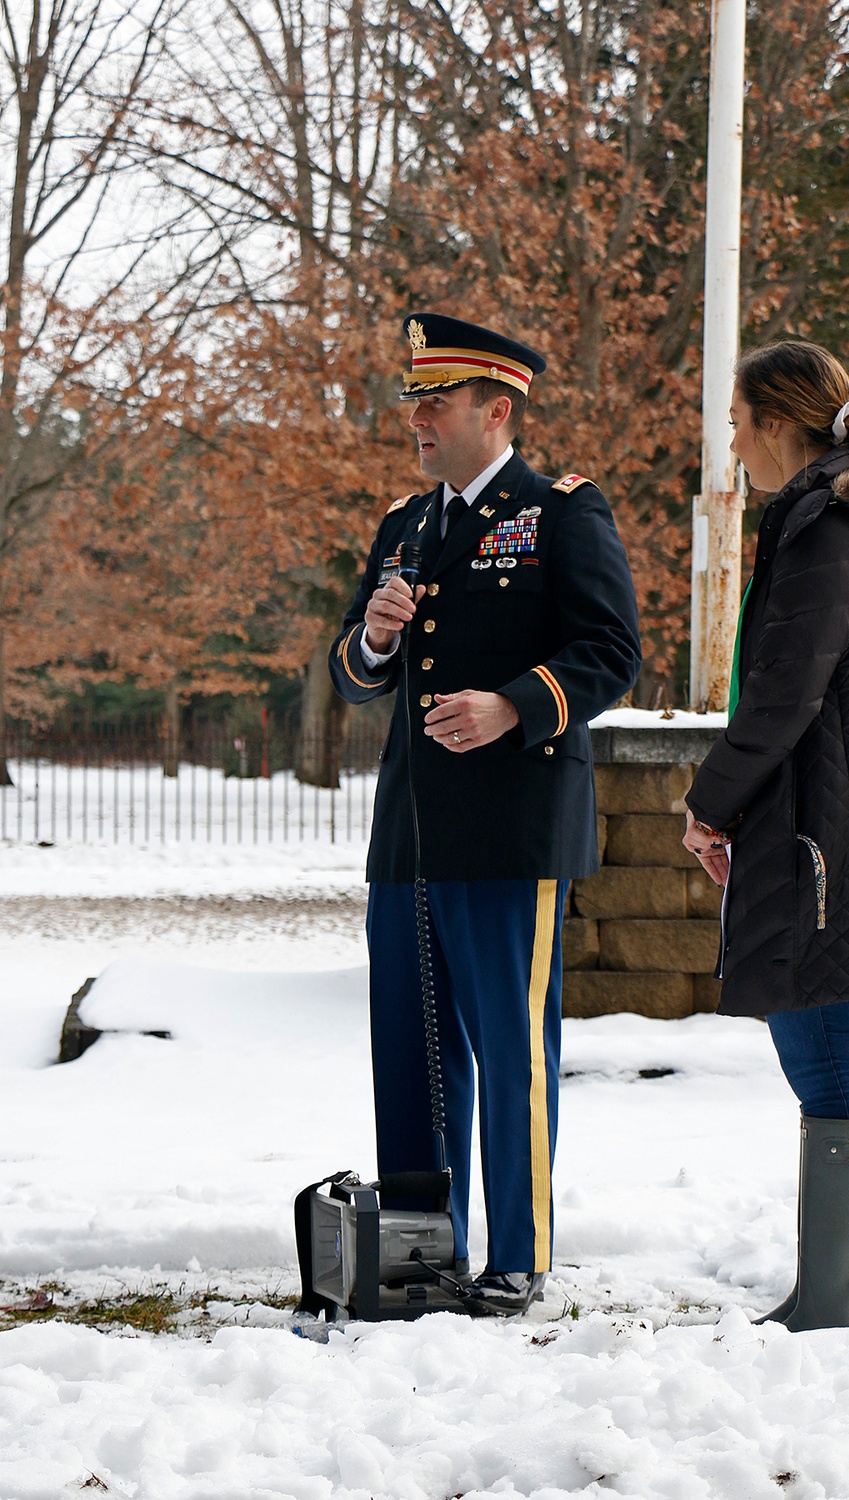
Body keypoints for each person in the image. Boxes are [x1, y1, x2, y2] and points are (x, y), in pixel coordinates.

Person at [330, 312, 641, 1316]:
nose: (417, 420)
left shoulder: (560, 513)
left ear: (494, 409)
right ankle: (423, 1253)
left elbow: (609, 652)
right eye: (413, 403)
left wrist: (513, 704)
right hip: (411, 833)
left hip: (510, 829)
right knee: (411, 1053)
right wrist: (373, 640)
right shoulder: (405, 525)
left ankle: (517, 1257)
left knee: (510, 1054)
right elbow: (353, 674)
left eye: (435, 403)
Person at [682, 340, 849, 1332]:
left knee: (820, 1043)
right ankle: (826, 1292)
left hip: (825, 831)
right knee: (816, 1036)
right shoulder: (822, 519)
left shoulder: (830, 530)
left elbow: (783, 694)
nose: (730, 440)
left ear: (772, 423)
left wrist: (710, 801)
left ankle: (832, 1299)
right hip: (819, 819)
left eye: (734, 419)